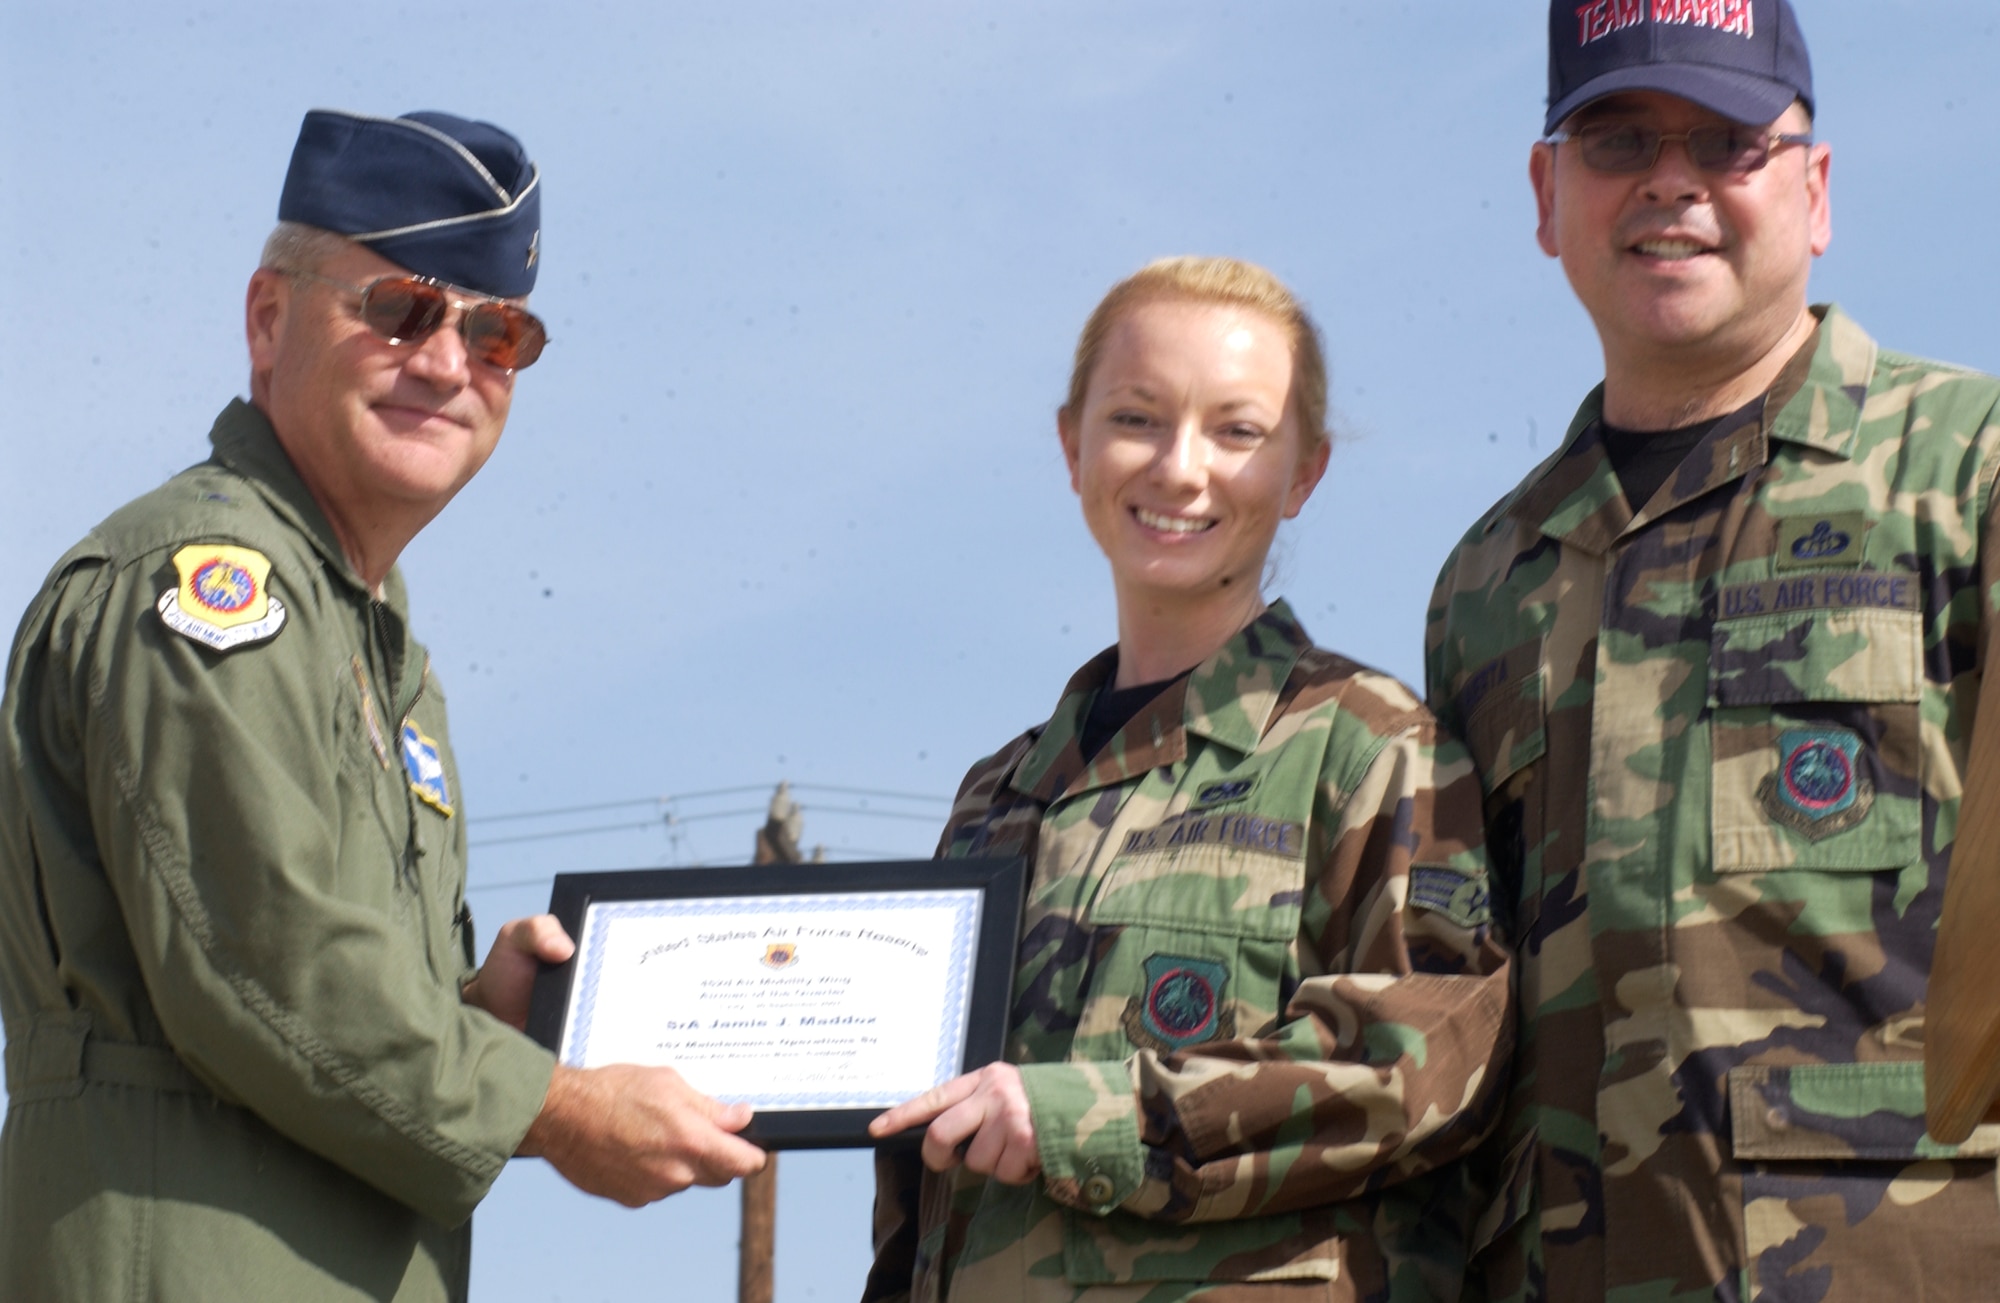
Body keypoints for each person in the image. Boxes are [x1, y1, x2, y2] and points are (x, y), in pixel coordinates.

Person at [0, 108, 764, 1301]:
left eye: (498, 333)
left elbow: (291, 990)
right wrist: (554, 1108)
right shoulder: (209, 585)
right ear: (268, 320)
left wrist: (478, 1010)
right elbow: (264, 967)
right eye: (402, 309)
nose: (450, 363)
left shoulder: (374, 644)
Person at [1425, 4, 2000, 1299]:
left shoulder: (1966, 475)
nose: (1671, 179)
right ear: (1547, 192)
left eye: (1728, 140)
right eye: (1620, 137)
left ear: (1816, 186)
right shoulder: (1483, 582)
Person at [865, 257, 1513, 1302]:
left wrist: (1094, 1119)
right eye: (1136, 418)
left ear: (1304, 472)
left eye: (1236, 430)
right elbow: (918, 1181)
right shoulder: (996, 798)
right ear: (1069, 444)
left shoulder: (1368, 747)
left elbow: (1424, 1062)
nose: (1178, 468)